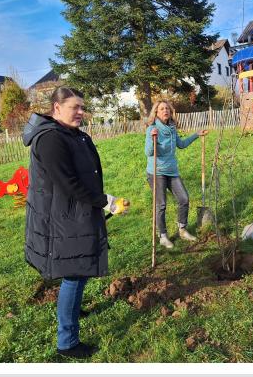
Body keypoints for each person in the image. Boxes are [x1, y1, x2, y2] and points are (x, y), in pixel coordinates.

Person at [22, 87, 127, 359]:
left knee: (78, 268)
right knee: (75, 272)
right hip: (63, 218)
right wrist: (105, 201)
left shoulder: (74, 135)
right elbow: (68, 184)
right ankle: (67, 343)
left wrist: (101, 200)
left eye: (82, 106)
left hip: (77, 212)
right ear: (57, 108)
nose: (81, 112)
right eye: (74, 107)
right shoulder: (50, 140)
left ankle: (72, 307)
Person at [144, 99, 208, 249]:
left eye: (167, 108)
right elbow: (148, 152)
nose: (165, 111)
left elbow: (181, 145)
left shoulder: (172, 128)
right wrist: (152, 139)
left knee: (184, 199)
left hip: (172, 171)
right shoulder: (152, 129)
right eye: (161, 109)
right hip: (157, 172)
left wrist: (196, 134)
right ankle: (163, 236)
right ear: (156, 113)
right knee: (161, 205)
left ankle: (182, 229)